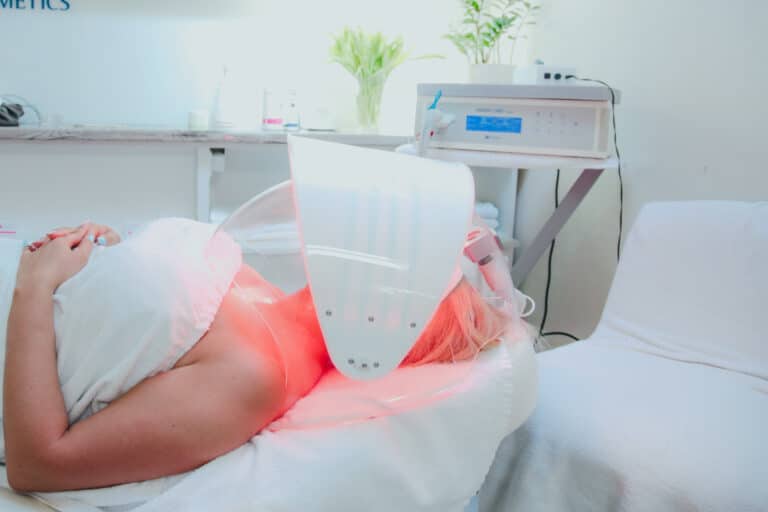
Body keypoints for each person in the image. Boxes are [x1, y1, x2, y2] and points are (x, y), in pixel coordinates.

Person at [2, 219, 511, 493]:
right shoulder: (265, 293)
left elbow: (39, 463)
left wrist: (35, 286)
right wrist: (109, 255)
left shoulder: (255, 379)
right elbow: (132, 333)